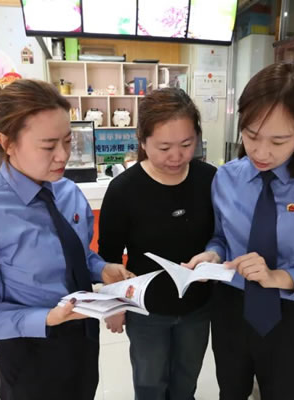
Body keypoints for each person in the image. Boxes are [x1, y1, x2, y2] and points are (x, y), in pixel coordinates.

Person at [185, 61, 294, 400]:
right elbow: (222, 237)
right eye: (251, 135)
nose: (261, 152)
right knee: (231, 391)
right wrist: (213, 254)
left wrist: (278, 277)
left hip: (293, 318)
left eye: (279, 140)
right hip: (231, 311)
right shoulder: (228, 178)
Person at [0, 79, 131, 400]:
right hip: (30, 351)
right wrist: (45, 318)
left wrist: (101, 269)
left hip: (84, 337)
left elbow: (76, 254)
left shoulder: (68, 192)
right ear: (7, 142)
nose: (62, 156)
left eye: (68, 141)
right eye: (48, 146)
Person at [98, 88, 217, 400]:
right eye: (164, 147)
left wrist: (213, 256)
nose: (176, 156)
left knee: (186, 381)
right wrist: (114, 306)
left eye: (187, 144)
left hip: (197, 306)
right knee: (150, 383)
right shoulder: (124, 190)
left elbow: (221, 238)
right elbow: (109, 256)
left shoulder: (209, 179)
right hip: (146, 310)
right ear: (142, 140)